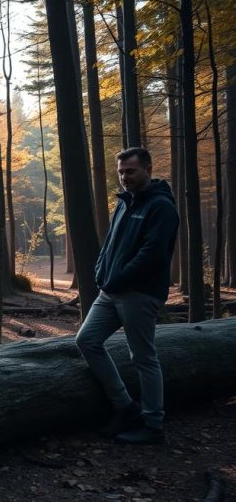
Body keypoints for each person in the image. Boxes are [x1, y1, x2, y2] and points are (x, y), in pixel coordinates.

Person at [76, 147, 179, 444]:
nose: (124, 177)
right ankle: (124, 405)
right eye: (121, 172)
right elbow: (110, 243)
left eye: (130, 171)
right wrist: (100, 269)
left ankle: (153, 424)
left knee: (143, 357)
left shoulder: (161, 206)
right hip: (110, 291)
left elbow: (153, 254)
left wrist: (118, 278)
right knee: (87, 341)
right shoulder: (124, 203)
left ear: (148, 168)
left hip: (140, 293)